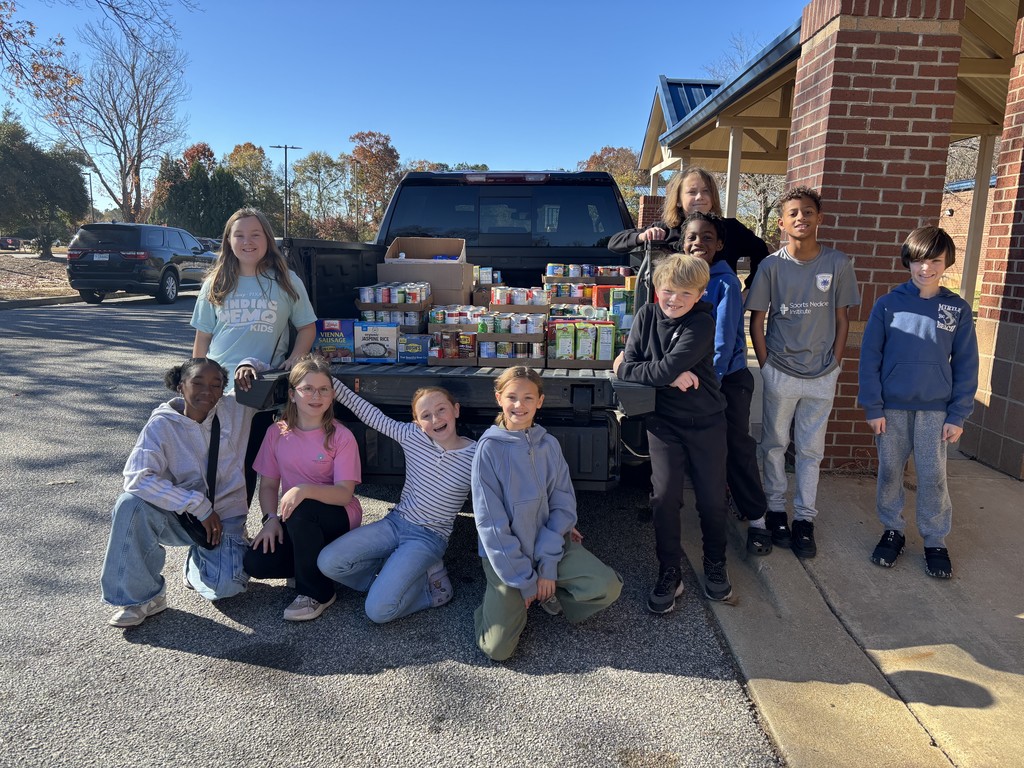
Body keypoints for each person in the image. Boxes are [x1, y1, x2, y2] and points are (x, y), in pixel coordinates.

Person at [472, 367, 622, 661]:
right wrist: (526, 582)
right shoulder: (488, 450)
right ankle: (502, 602)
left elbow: (563, 502)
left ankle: (548, 592)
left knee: (607, 585)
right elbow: (491, 525)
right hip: (506, 556)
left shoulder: (548, 445)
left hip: (548, 545)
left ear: (540, 401)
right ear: (499, 398)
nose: (520, 405)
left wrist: (548, 566)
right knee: (497, 649)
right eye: (512, 397)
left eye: (528, 397)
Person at [745, 186, 861, 559]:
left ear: (819, 219)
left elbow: (843, 319)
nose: (801, 218)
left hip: (822, 372)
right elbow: (757, 320)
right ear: (782, 223)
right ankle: (777, 510)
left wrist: (836, 363)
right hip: (781, 369)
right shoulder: (771, 266)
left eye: (808, 212)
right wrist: (767, 365)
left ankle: (805, 519)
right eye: (793, 213)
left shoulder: (838, 264)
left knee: (811, 449)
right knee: (775, 444)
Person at [614, 253, 733, 612]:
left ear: (699, 294)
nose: (674, 300)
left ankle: (715, 562)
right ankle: (670, 571)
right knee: (664, 498)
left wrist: (652, 369)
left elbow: (633, 367)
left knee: (712, 499)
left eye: (685, 293)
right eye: (668, 290)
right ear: (656, 289)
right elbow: (628, 367)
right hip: (663, 423)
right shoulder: (646, 316)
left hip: (706, 422)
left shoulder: (701, 322)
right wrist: (665, 373)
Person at [857, 226, 978, 579]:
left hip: (935, 412)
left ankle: (935, 539)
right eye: (919, 260)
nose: (926, 268)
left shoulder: (955, 309)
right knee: (890, 471)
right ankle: (892, 529)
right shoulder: (888, 304)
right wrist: (873, 407)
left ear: (946, 263)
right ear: (908, 261)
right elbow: (870, 359)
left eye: (935, 261)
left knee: (932, 476)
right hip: (891, 410)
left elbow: (967, 364)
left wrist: (958, 414)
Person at [100, 358, 255, 628]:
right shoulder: (162, 424)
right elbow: (136, 477)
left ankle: (197, 560)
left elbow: (278, 374)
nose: (207, 390)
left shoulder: (236, 408)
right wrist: (197, 504)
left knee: (226, 587)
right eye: (197, 383)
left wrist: (248, 362)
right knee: (130, 504)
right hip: (181, 514)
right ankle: (142, 598)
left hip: (226, 516)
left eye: (216, 384)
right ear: (180, 386)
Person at [316, 380, 476, 623]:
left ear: (456, 409)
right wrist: (330, 382)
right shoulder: (412, 436)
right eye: (426, 415)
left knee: (379, 611)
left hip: (429, 537)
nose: (435, 419)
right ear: (417, 423)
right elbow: (371, 415)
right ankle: (390, 576)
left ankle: (432, 590)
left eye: (441, 409)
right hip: (395, 522)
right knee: (328, 562)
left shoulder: (476, 454)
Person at [190, 207, 318, 503]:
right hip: (220, 392)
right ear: (228, 241)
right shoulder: (215, 283)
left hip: (261, 393)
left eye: (255, 234)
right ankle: (224, 534)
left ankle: (245, 529)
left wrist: (295, 359)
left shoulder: (286, 281)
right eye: (239, 235)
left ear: (267, 240)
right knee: (218, 466)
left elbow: (307, 328)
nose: (247, 241)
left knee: (251, 464)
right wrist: (195, 385)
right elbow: (202, 339)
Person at [243, 355, 363, 621]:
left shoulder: (341, 435)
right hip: (296, 516)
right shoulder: (277, 432)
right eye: (307, 388)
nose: (315, 395)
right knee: (256, 562)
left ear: (332, 395)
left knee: (302, 509)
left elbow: (344, 493)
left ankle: (318, 593)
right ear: (292, 394)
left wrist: (302, 490)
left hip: (338, 515)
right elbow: (269, 484)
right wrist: (270, 520)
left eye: (323, 389)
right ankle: (307, 562)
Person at [680, 211, 772, 555]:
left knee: (737, 447)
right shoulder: (685, 281)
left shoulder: (725, 282)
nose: (698, 243)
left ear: (720, 244)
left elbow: (722, 344)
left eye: (707, 237)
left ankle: (758, 518)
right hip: (697, 381)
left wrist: (709, 385)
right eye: (692, 237)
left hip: (726, 381)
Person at [608, 165, 770, 289]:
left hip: (720, 315)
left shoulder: (730, 229)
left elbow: (762, 252)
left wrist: (749, 289)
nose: (700, 197)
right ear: (678, 200)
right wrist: (642, 236)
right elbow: (614, 243)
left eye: (706, 191)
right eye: (692, 192)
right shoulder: (666, 230)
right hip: (676, 317)